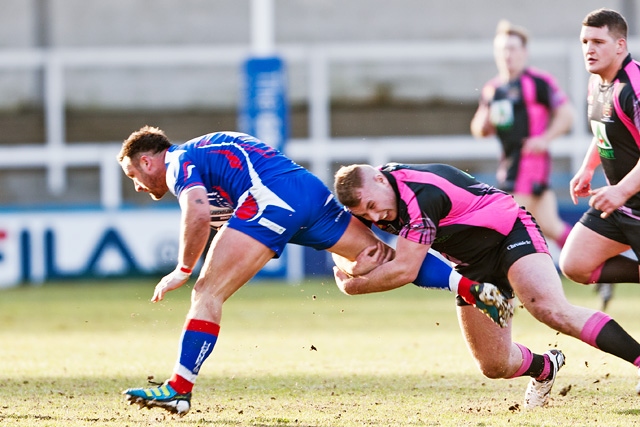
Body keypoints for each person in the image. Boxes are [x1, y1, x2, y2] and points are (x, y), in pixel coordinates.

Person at [116, 127, 512, 416]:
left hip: (269, 200)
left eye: (133, 175)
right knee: (378, 253)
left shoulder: (178, 162)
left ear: (147, 160)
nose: (137, 186)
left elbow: (198, 211)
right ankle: (470, 286)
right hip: (306, 191)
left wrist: (183, 268)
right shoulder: (205, 151)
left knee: (206, 292)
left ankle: (179, 388)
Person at [333, 162, 640, 408]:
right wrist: (350, 265)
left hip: (510, 234)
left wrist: (354, 286)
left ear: (380, 180)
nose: (376, 216)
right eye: (365, 214)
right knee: (494, 366)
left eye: (373, 205)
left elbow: (404, 270)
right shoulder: (376, 201)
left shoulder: (419, 194)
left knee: (549, 309)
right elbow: (349, 249)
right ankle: (545, 367)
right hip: (472, 265)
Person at [470, 19, 613, 310]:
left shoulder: (538, 82)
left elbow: (567, 115)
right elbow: (479, 129)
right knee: (548, 225)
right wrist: (484, 119)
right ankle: (601, 266)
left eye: (512, 49)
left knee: (504, 225)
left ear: (524, 52)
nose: (507, 55)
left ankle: (498, 291)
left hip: (530, 165)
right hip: (509, 166)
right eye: (502, 50)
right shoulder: (494, 88)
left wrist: (544, 139)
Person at [560, 10, 640, 320]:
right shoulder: (597, 84)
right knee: (575, 264)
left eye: (598, 41)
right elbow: (605, 130)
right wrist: (588, 167)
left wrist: (619, 191)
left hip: (625, 197)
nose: (589, 49)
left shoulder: (634, 88)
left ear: (620, 45)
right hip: (621, 203)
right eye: (584, 42)